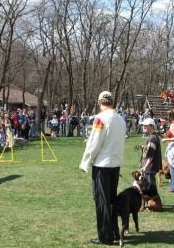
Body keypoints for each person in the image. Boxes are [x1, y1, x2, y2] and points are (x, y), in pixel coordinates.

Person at [79, 91, 126, 245]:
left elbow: (95, 143)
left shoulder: (101, 118)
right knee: (111, 200)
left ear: (99, 102)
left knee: (102, 201)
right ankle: (113, 231)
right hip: (115, 164)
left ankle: (105, 236)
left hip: (102, 166)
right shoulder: (120, 119)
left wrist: (85, 162)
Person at [140, 118, 162, 187]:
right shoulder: (154, 136)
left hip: (149, 168)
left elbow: (151, 156)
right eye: (143, 126)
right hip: (150, 167)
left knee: (150, 189)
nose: (144, 127)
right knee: (151, 188)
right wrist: (145, 147)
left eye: (146, 126)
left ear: (152, 126)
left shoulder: (152, 138)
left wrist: (145, 167)